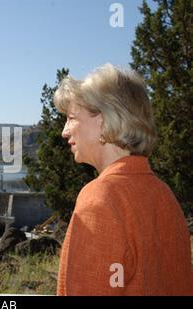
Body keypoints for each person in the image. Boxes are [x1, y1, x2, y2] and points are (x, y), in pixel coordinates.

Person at [54, 64, 193, 295]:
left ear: (103, 120)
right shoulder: (163, 194)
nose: (64, 131)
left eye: (71, 118)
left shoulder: (99, 199)